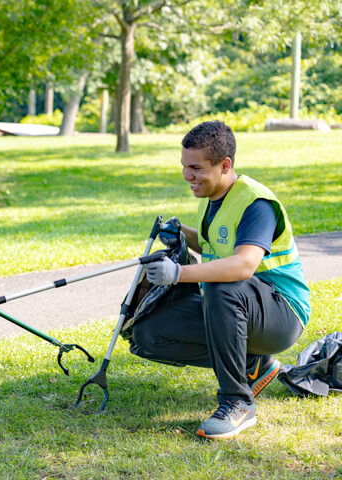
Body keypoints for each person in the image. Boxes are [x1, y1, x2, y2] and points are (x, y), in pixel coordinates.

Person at [132, 121, 310, 439]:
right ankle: (253, 365)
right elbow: (214, 243)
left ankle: (237, 403)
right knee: (149, 333)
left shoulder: (256, 204)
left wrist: (179, 274)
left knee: (222, 283)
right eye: (185, 166)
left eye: (196, 168)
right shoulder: (212, 197)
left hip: (282, 314)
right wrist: (182, 233)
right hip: (240, 306)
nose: (188, 176)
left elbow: (242, 265)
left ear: (224, 164)